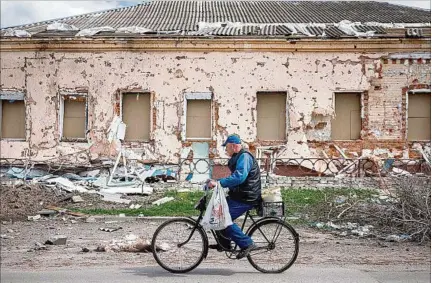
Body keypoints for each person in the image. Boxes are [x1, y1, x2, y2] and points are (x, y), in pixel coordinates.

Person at [207, 134, 262, 259]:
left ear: (232, 146)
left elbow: (239, 177)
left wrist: (219, 183)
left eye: (226, 147)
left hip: (247, 197)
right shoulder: (239, 157)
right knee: (216, 213)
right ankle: (224, 243)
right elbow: (234, 178)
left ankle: (247, 244)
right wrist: (215, 181)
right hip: (240, 195)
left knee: (223, 218)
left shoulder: (244, 157)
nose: (226, 150)